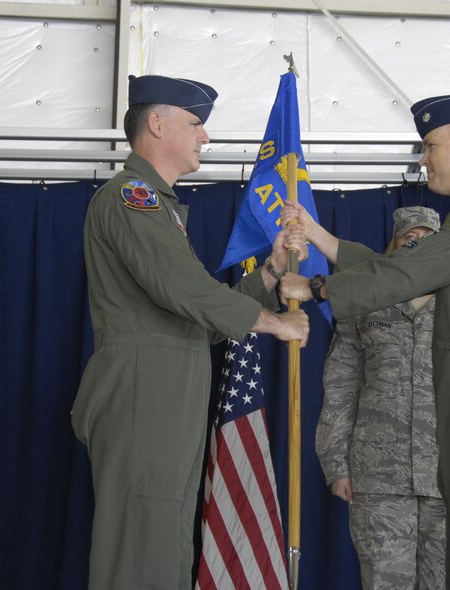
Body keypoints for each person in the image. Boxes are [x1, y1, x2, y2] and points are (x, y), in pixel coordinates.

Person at [280, 93, 450, 590]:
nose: (422, 159)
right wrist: (323, 238)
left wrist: (318, 287)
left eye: (430, 145)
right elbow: (408, 269)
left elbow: (416, 269)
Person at [71, 74, 309, 590]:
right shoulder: (132, 198)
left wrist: (268, 274)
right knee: (142, 549)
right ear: (157, 124)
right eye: (196, 124)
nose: (205, 137)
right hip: (144, 393)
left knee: (162, 542)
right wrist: (276, 324)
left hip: (162, 390)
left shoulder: (159, 208)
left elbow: (193, 316)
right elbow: (183, 290)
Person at [316, 206, 446, 589]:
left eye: (427, 239)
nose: (417, 244)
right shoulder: (365, 302)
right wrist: (335, 463)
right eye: (409, 238)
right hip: (378, 477)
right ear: (392, 245)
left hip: (447, 474)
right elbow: (341, 382)